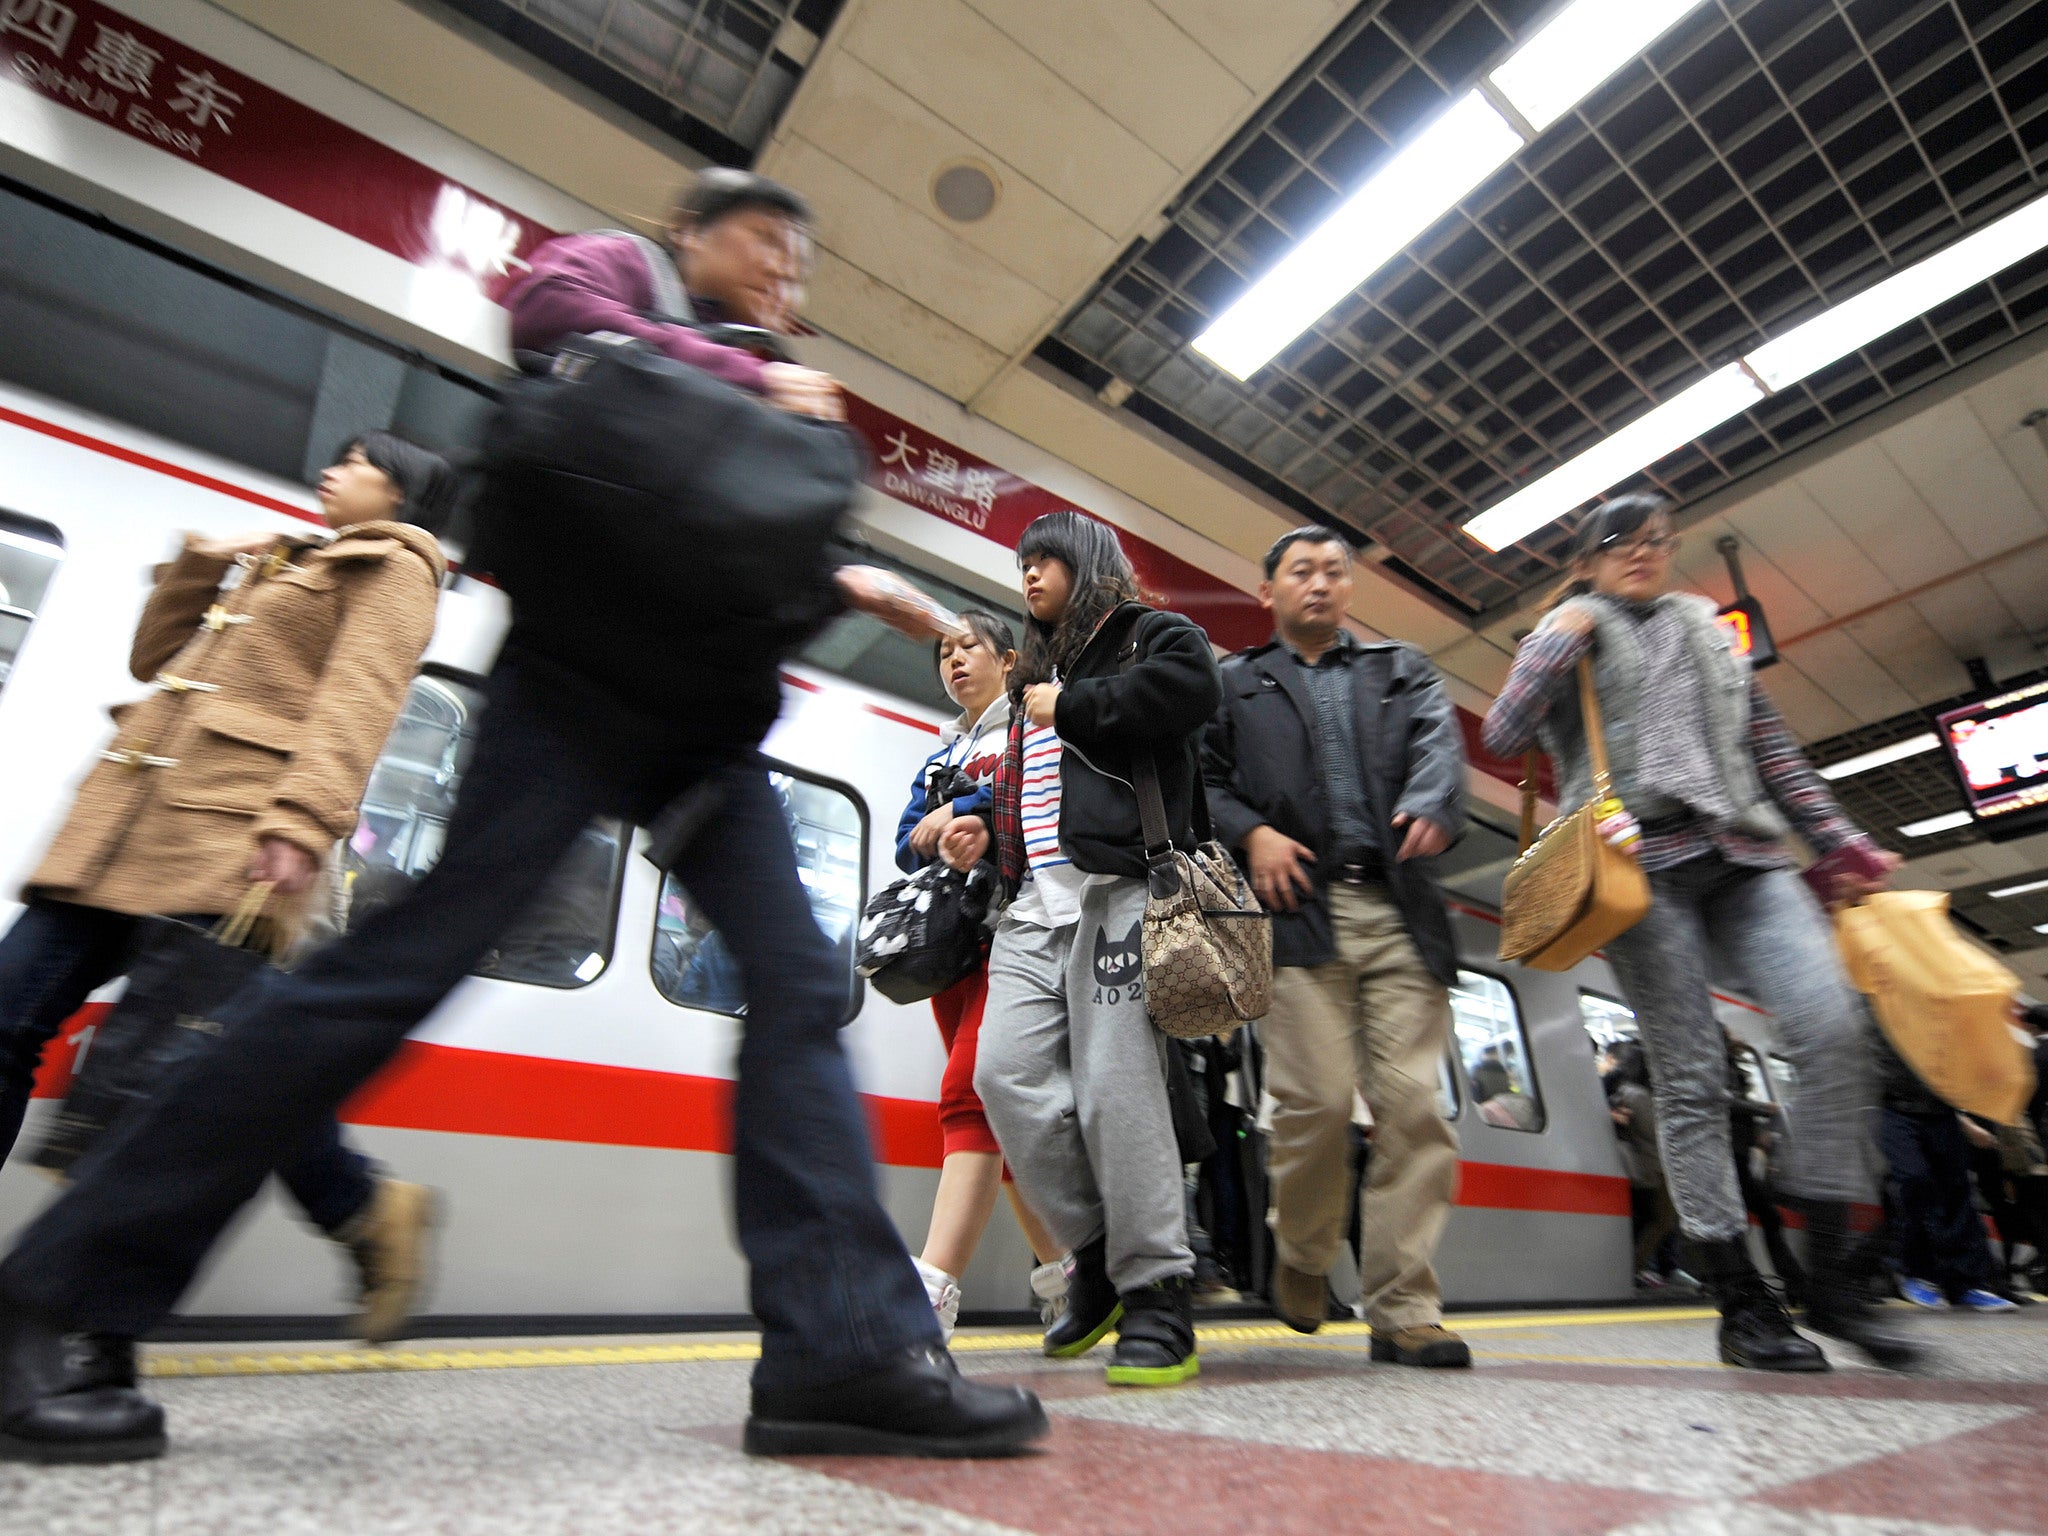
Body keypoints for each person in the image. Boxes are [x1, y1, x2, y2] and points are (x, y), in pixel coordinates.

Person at [0, 168, 1045, 1465]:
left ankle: (844, 1353)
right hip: (567, 696)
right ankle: (51, 1298)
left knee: (793, 988)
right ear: (692, 234)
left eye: (800, 259)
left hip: (711, 730)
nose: (784, 270)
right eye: (766, 239)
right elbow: (547, 318)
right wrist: (745, 385)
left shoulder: (780, 376)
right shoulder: (619, 275)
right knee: (394, 968)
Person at [0, 430, 455, 1347]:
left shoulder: (397, 568)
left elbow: (360, 695)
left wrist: (301, 819)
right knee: (11, 1015)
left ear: (403, 494)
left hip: (230, 839)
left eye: (360, 461)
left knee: (198, 1073)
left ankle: (359, 1210)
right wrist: (208, 563)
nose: (333, 468)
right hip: (123, 830)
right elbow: (155, 660)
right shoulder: (288, 566)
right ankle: (367, 1207)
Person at [1481, 492, 1918, 1373]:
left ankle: (1828, 1272)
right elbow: (1504, 731)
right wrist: (1561, 633)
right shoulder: (1571, 627)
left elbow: (1775, 753)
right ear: (1586, 558)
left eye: (1656, 542)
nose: (1642, 554)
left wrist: (1840, 842)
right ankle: (1739, 1300)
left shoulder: (1715, 635)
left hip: (1747, 857)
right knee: (1691, 1079)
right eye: (1620, 543)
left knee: (1834, 1032)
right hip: (1637, 869)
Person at [942, 510, 1223, 1387]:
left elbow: (1190, 695)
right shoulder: (1034, 672)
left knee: (1115, 1089)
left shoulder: (1152, 635)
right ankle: (1096, 1256)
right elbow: (1038, 790)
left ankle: (1159, 1294)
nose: (1028, 576)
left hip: (1120, 890)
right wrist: (983, 829)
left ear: (1086, 559)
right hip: (1029, 908)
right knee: (1003, 1077)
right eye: (1021, 564)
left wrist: (1078, 703)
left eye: (1044, 560)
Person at [1201, 527, 1471, 1368]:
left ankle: (1403, 1307)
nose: (1320, 583)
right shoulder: (1233, 684)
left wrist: (1433, 799)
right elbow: (1200, 783)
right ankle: (1305, 1253)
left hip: (1397, 908)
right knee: (1315, 1104)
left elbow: (1440, 746)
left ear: (1350, 589)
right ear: (1268, 593)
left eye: (1334, 572)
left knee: (1412, 1109)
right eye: (1300, 572)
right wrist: (1254, 836)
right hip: (1296, 916)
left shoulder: (1401, 669)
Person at [890, 611, 1067, 1337]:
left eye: (969, 647)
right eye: (944, 652)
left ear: (1008, 659)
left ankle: (927, 1294)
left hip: (1017, 939)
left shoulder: (1031, 730)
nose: (954, 661)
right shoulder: (940, 752)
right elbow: (907, 844)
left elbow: (1026, 804)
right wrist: (939, 824)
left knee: (968, 1095)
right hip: (954, 951)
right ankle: (1072, 1278)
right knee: (1004, 1122)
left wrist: (963, 809)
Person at [1875, 1028, 2017, 1313]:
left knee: (1957, 1191)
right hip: (1892, 1108)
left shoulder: (1941, 1009)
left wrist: (1965, 1122)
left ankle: (1965, 1284)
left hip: (1942, 1113)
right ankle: (1917, 1273)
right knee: (1914, 1180)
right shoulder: (1878, 1004)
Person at [1724, 1031, 1807, 1306]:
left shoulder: (1730, 1066)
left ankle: (1782, 1284)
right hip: (1728, 1157)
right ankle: (1791, 1284)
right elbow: (1723, 1101)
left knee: (1753, 1219)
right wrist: (1763, 1109)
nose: (1737, 1037)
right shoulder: (1720, 1067)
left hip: (1738, 1155)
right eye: (1728, 1035)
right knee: (1766, 1218)